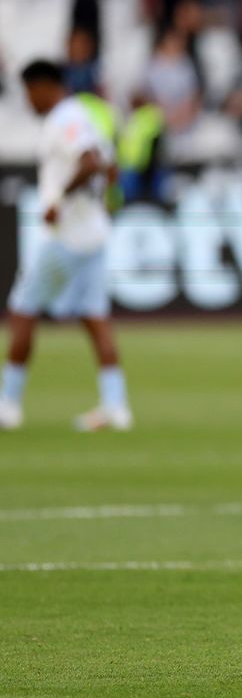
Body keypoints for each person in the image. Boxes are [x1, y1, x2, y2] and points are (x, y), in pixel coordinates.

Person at [1, 60, 131, 433]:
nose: (28, 101)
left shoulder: (64, 119)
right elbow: (108, 166)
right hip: (94, 234)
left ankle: (8, 404)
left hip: (67, 238)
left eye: (29, 92)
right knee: (95, 316)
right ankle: (115, 405)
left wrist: (58, 199)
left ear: (44, 87)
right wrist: (102, 200)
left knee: (23, 309)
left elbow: (90, 162)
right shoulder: (86, 115)